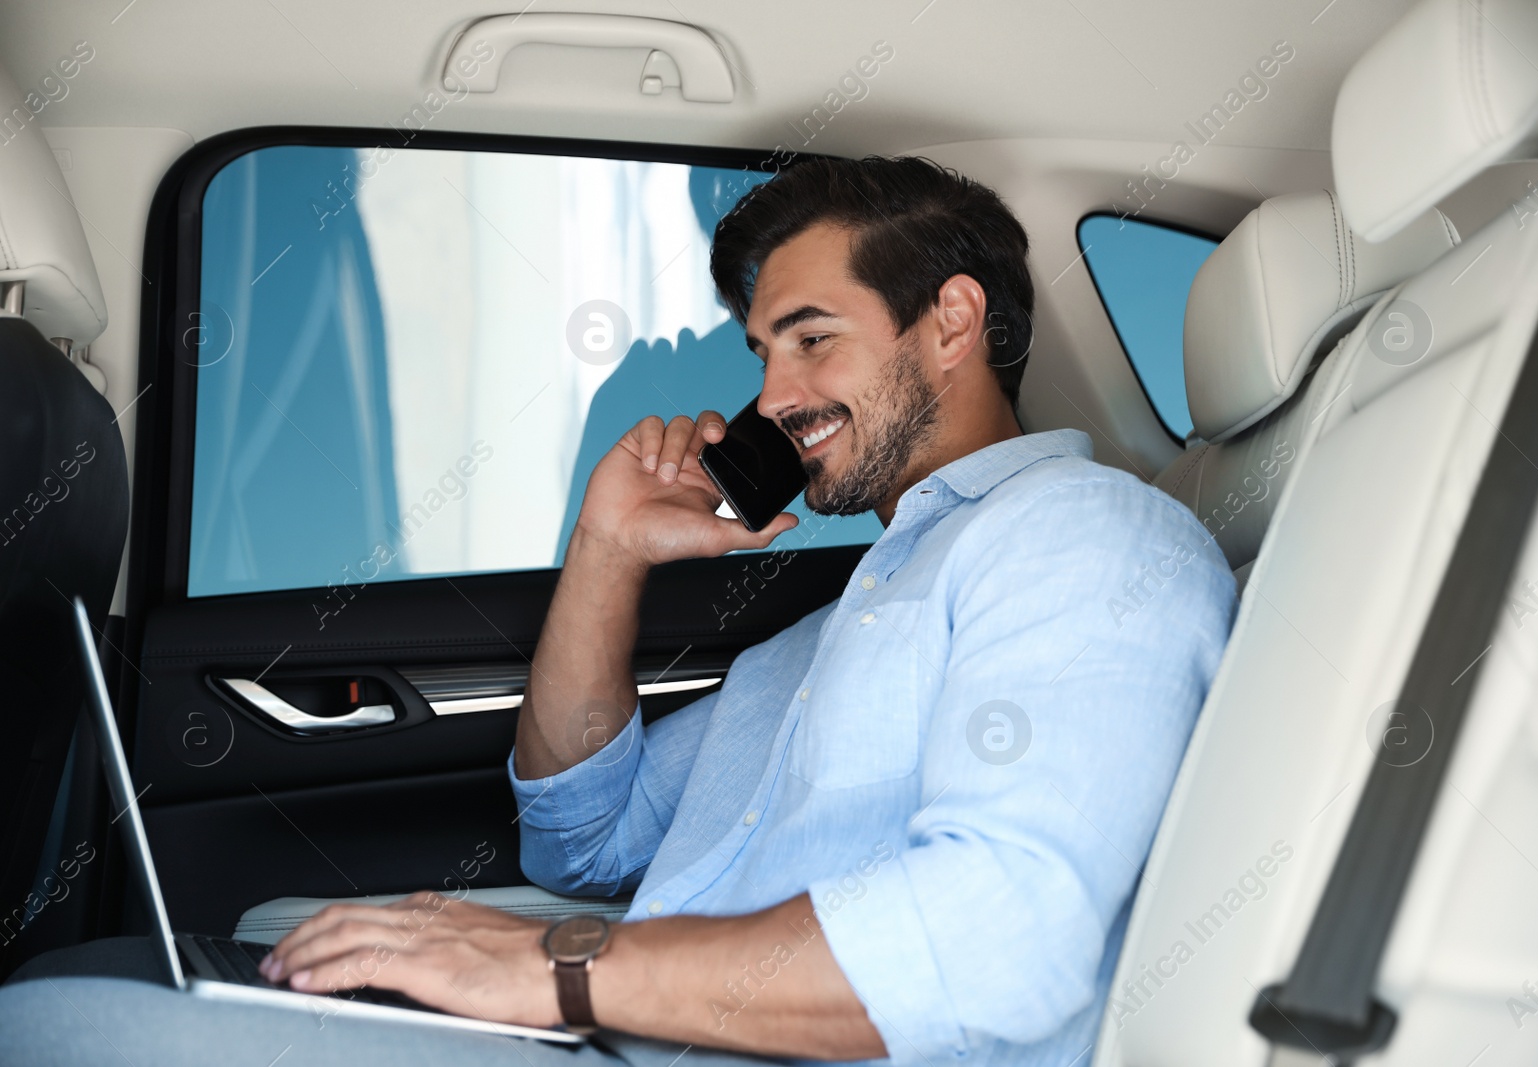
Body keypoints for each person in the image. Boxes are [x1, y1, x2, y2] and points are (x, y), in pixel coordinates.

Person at [0, 156, 1235, 1066]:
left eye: (812, 341)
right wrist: (607, 550)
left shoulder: (1084, 537)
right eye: (761, 354)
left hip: (683, 1041)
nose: (774, 397)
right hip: (636, 1030)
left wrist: (555, 966)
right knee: (87, 979)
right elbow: (578, 837)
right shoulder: (848, 612)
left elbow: (1001, 939)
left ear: (953, 320)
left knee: (49, 1026)